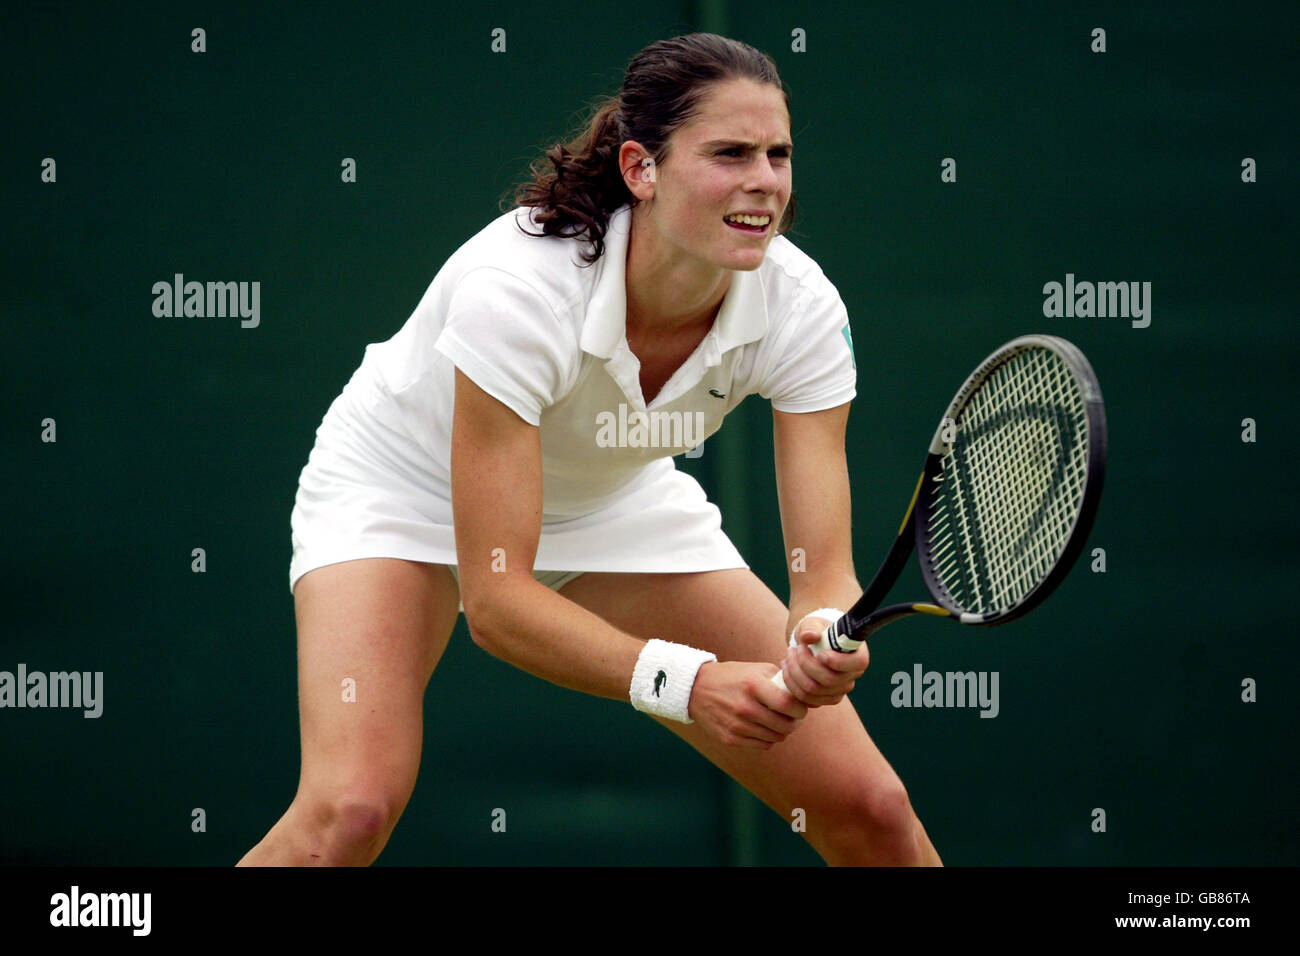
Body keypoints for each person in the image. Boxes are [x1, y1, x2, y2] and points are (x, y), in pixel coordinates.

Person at [237, 32, 941, 867]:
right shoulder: (521, 290)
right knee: (348, 813)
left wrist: (822, 630)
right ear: (641, 169)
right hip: (400, 490)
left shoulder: (802, 307)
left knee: (870, 806)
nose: (764, 181)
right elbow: (499, 606)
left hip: (617, 500)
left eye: (778, 154)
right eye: (729, 153)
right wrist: (688, 683)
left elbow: (820, 572)